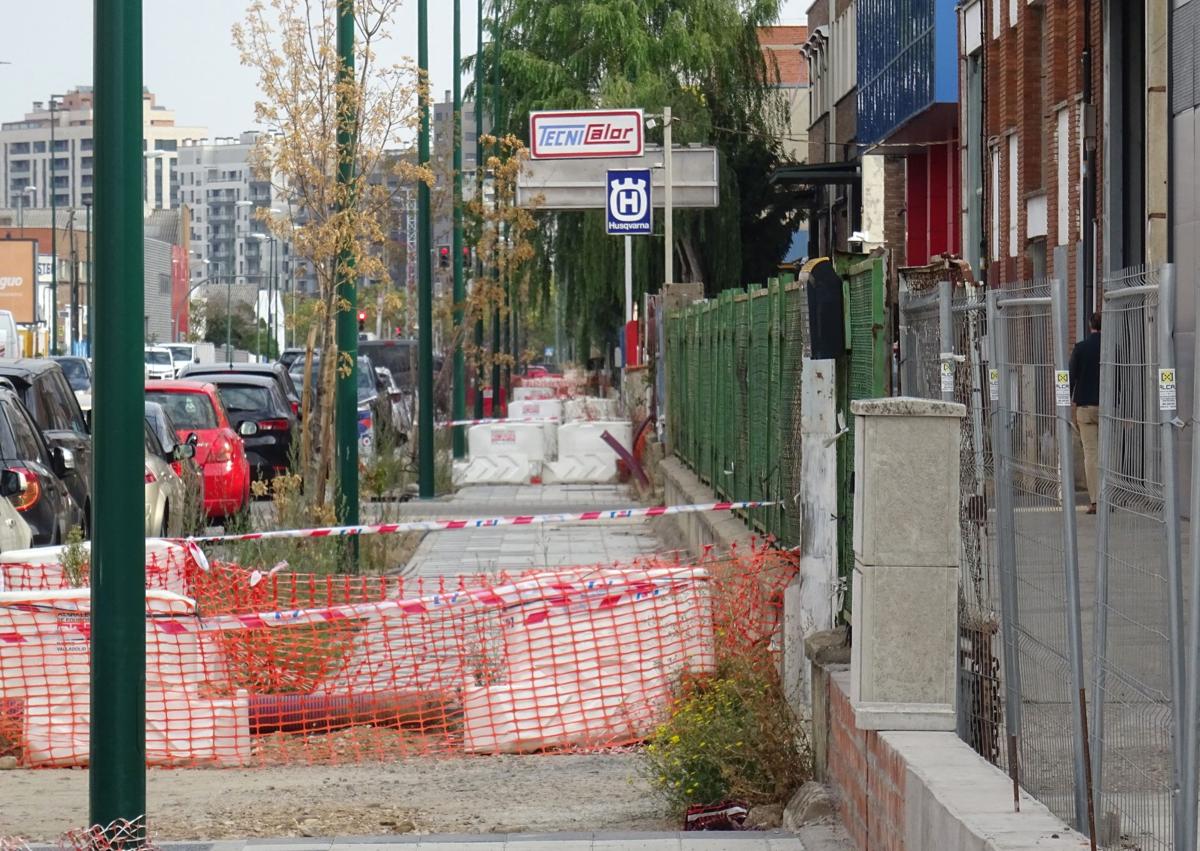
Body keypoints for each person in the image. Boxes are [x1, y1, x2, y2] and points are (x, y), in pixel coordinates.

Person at [1070, 313, 1102, 514]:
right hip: (1107, 408)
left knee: (1091, 454)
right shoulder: (1111, 348)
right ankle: (1108, 497)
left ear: (1090, 325)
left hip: (1085, 407)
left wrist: (1069, 403)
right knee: (1107, 453)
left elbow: (1071, 376)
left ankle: (1095, 500)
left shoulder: (1081, 348)